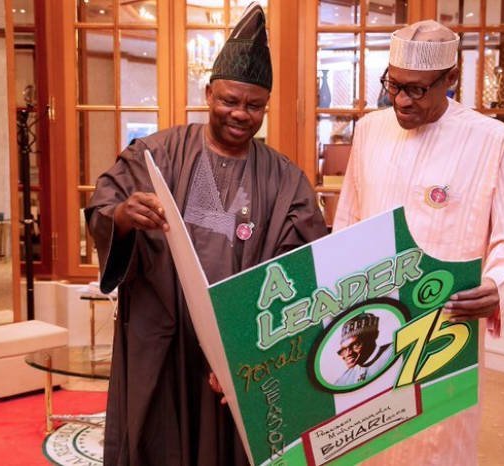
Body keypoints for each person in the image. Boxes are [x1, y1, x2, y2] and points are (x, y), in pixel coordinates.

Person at [85, 4, 328, 465]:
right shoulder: (155, 155)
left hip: (241, 350)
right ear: (208, 91)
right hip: (165, 343)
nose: (241, 114)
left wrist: (244, 353)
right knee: (158, 442)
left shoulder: (286, 181)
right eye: (229, 100)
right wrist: (120, 217)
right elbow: (105, 204)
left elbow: (300, 269)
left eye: (254, 105)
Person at [333, 20, 504, 465]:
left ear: (451, 80)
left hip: (445, 321)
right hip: (372, 315)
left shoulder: (491, 139)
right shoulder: (370, 130)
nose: (402, 101)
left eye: (418, 90)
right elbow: (348, 218)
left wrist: (497, 285)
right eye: (394, 86)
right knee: (367, 435)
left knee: (438, 439)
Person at [334, 312, 394, 386]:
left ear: (373, 336)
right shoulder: (344, 380)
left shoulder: (393, 351)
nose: (348, 353)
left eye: (356, 344)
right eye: (343, 349)